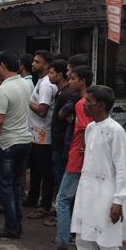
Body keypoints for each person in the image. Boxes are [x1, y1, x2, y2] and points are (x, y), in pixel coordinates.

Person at [72, 85, 126, 250]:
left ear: (100, 105)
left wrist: (118, 201)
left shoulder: (116, 131)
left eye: (89, 101)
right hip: (86, 193)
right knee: (83, 240)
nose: (84, 105)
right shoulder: (90, 128)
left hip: (107, 196)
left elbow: (121, 168)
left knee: (108, 245)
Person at [39, 64, 93, 250]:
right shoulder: (88, 102)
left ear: (83, 81)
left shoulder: (82, 104)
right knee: (80, 199)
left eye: (73, 78)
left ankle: (62, 247)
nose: (69, 82)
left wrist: (84, 152)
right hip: (81, 157)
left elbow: (86, 131)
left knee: (62, 200)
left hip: (77, 158)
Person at [0, 51, 33, 239]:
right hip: (25, 140)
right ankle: (16, 223)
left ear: (2, 67)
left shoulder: (4, 90)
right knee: (15, 184)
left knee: (6, 186)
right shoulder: (25, 84)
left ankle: (12, 227)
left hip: (7, 144)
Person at [27, 50, 57, 219]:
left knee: (45, 172)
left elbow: (42, 110)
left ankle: (45, 205)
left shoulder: (46, 84)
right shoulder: (41, 81)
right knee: (37, 169)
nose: (33, 64)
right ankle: (34, 199)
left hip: (43, 135)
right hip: (37, 134)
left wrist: (28, 102)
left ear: (46, 65)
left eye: (37, 62)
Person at [48, 59, 71, 190]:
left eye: (51, 73)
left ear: (60, 75)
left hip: (61, 144)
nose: (49, 76)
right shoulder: (60, 93)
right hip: (57, 143)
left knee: (60, 179)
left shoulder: (66, 94)